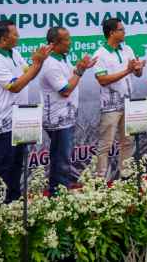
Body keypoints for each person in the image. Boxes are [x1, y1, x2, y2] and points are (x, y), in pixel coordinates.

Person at [0, 20, 51, 202]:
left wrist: (38, 63)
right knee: (4, 167)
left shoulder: (14, 53)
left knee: (16, 166)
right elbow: (15, 86)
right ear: (4, 38)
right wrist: (36, 64)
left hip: (21, 119)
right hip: (4, 121)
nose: (18, 36)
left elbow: (28, 74)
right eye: (15, 34)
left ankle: (13, 203)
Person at [37, 26, 95, 194]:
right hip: (57, 119)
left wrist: (80, 68)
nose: (70, 42)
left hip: (66, 116)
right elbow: (65, 90)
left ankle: (62, 187)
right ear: (55, 43)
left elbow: (71, 78)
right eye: (67, 40)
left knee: (62, 155)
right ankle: (59, 193)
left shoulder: (62, 58)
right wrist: (80, 71)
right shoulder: (50, 64)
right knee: (61, 157)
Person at [93, 17, 145, 180]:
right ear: (112, 33)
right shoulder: (100, 54)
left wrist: (138, 69)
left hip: (129, 104)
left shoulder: (127, 49)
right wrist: (128, 71)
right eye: (121, 29)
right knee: (105, 145)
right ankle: (100, 180)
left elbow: (137, 74)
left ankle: (126, 175)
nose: (124, 32)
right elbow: (102, 80)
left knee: (128, 141)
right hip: (110, 107)